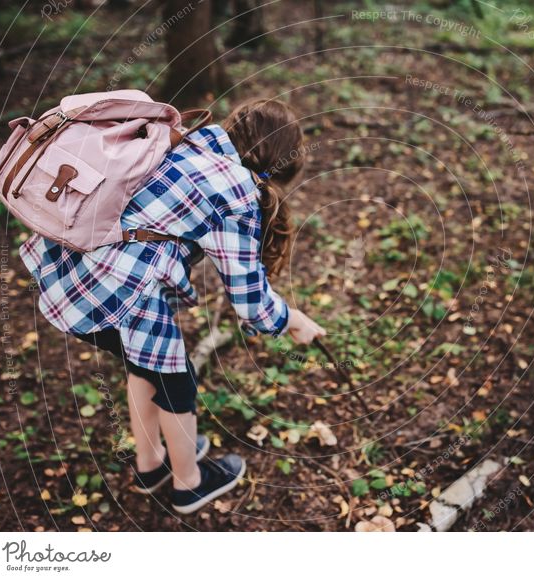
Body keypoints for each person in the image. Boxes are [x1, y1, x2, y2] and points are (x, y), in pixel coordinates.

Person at [19, 98, 326, 514]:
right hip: (120, 297)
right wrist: (292, 320)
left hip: (68, 277)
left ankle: (150, 465)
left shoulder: (182, 140)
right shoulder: (237, 189)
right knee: (174, 382)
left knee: (143, 366)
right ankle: (189, 484)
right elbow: (251, 302)